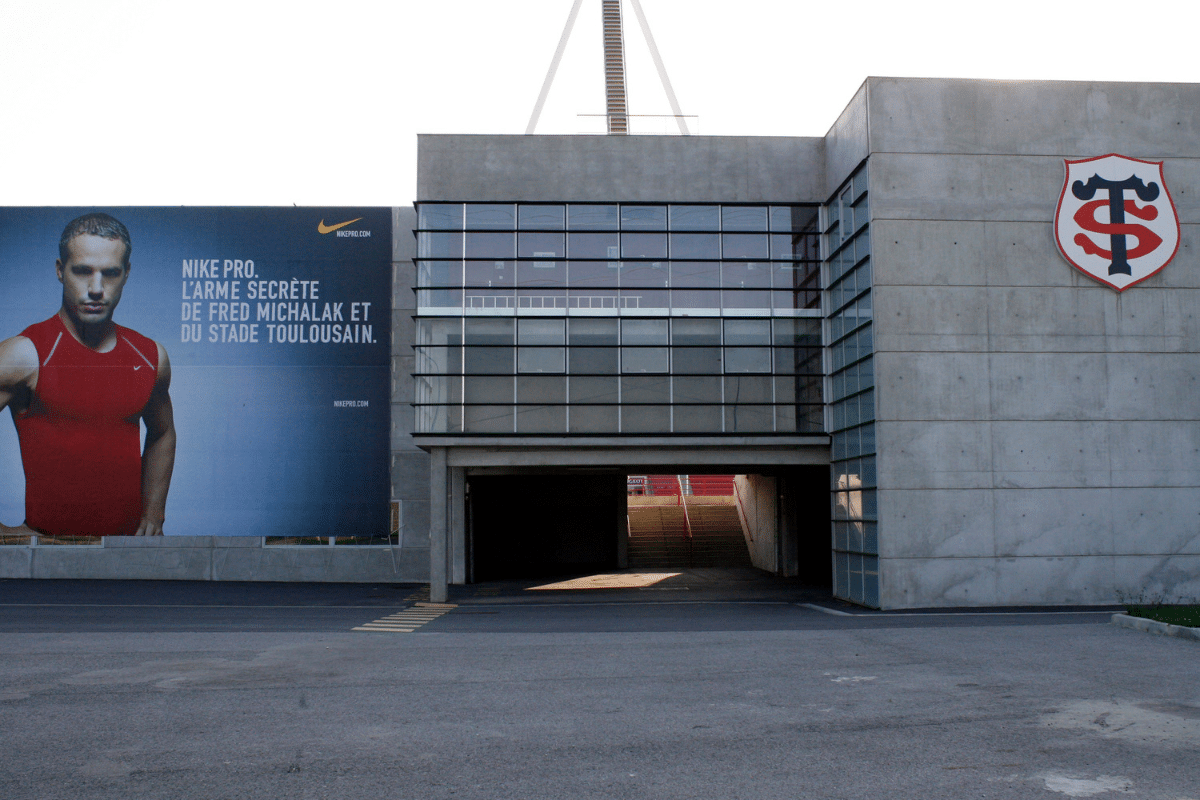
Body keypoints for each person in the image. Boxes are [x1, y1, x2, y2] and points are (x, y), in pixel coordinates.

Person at [0, 213, 175, 537]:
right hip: (50, 561)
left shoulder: (150, 357)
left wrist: (154, 512)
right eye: (82, 271)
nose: (96, 288)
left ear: (126, 274)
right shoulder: (26, 353)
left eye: (110, 274)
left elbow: (162, 433)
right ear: (60, 270)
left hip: (127, 557)